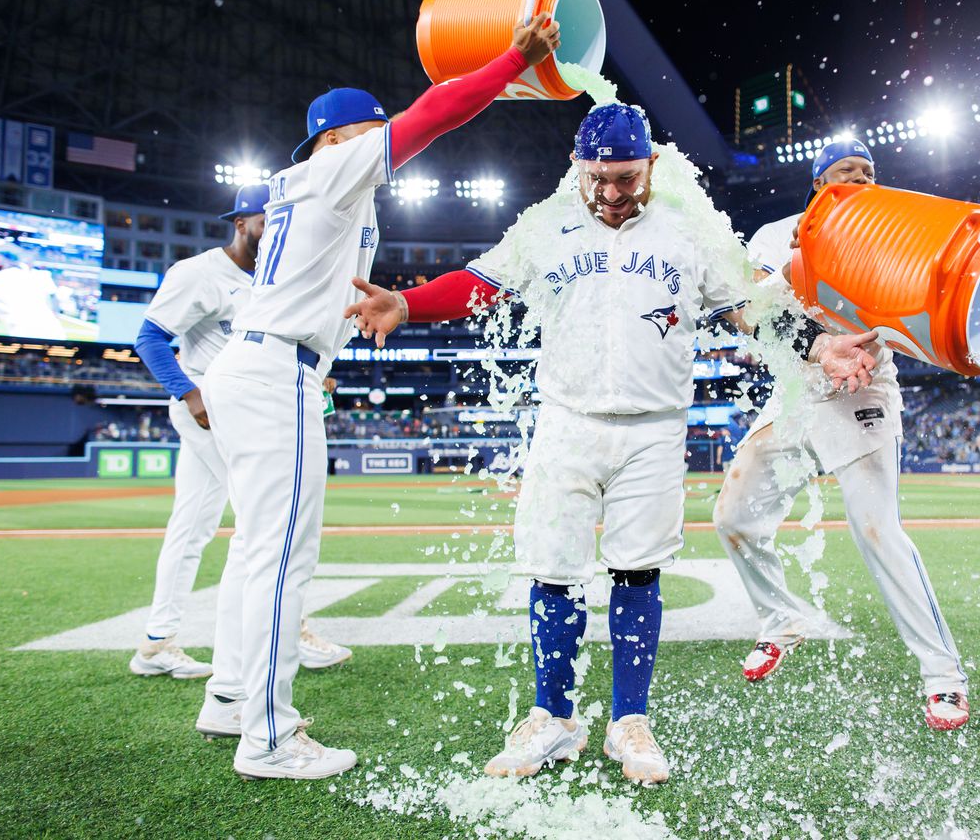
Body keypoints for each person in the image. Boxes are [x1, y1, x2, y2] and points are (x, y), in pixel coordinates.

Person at [342, 104, 880, 783]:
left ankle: (629, 720)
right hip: (566, 420)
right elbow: (480, 283)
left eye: (625, 177)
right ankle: (553, 716)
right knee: (553, 567)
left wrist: (821, 344)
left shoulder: (691, 226)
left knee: (638, 570)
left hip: (653, 428)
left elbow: (752, 306)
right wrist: (408, 303)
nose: (610, 193)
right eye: (597, 177)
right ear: (578, 166)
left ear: (651, 165)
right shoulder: (547, 221)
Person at [197, 16, 561, 781]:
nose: (381, 143)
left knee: (256, 549)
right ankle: (266, 736)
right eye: (370, 130)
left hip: (262, 364)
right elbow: (432, 115)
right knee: (281, 558)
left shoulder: (307, 185)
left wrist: (366, 308)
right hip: (271, 377)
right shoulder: (334, 169)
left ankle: (232, 693)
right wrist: (511, 61)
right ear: (341, 138)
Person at [712, 140, 971, 731]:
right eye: (845, 171)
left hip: (861, 389)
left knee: (878, 530)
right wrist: (800, 266)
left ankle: (944, 677)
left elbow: (925, 312)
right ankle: (782, 622)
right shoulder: (782, 234)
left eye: (869, 172)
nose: (860, 179)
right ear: (818, 183)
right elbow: (746, 302)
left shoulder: (894, 234)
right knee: (734, 517)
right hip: (797, 392)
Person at [129, 184, 354, 682]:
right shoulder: (200, 273)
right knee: (271, 517)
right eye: (264, 221)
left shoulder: (275, 279)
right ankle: (288, 630)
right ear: (240, 223)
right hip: (214, 407)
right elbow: (149, 338)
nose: (274, 230)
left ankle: (155, 642)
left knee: (192, 528)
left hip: (244, 406)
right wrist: (190, 394)